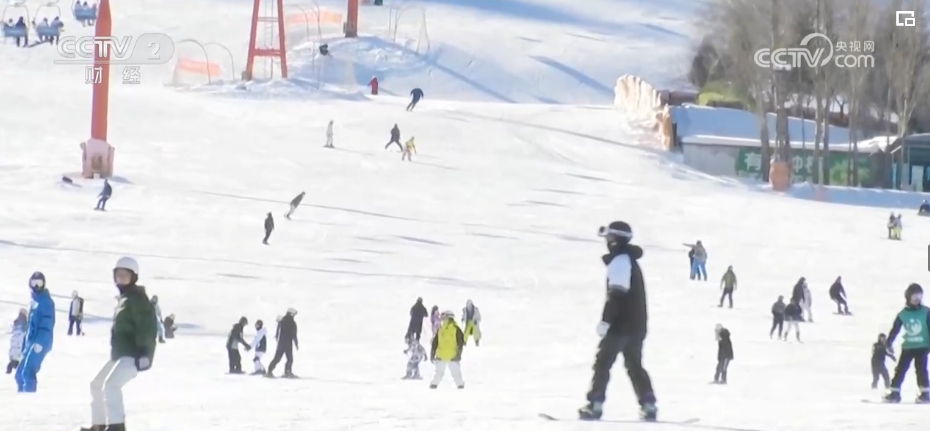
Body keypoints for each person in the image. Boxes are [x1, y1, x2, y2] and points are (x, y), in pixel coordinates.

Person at [579, 221, 657, 421]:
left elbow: (617, 294)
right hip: (637, 325)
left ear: (614, 239)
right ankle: (649, 404)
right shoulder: (629, 260)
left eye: (608, 238)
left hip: (620, 326)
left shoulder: (621, 261)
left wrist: (606, 321)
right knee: (634, 365)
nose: (606, 241)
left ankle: (594, 404)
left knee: (603, 363)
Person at [80, 257, 156, 431]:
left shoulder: (138, 299)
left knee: (111, 385)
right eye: (118, 275)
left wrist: (145, 353)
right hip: (120, 353)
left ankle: (116, 427)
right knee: (96, 384)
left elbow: (147, 328)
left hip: (134, 354)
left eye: (125, 276)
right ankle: (98, 425)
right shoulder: (125, 299)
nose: (121, 279)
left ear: (133, 277)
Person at [883, 283, 930, 403]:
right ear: (908, 297)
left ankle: (925, 394)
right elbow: (895, 329)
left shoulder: (926, 312)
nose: (917, 299)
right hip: (908, 347)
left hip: (923, 346)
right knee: (901, 369)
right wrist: (889, 343)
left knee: (921, 369)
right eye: (914, 296)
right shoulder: (903, 314)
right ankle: (895, 393)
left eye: (919, 296)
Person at [15, 272, 55, 393]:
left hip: (41, 343)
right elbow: (30, 327)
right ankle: (21, 397)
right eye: (34, 283)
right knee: (19, 374)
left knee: (28, 371)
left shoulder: (46, 302)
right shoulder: (34, 301)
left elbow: (47, 325)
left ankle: (29, 400)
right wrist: (24, 346)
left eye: (39, 283)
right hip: (31, 343)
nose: (37, 286)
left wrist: (40, 343)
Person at [429, 310, 465, 389]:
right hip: (448, 356)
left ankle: (460, 386)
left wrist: (458, 354)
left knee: (450, 373)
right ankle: (434, 385)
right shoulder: (441, 329)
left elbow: (460, 343)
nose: (442, 319)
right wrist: (432, 353)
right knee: (445, 372)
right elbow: (435, 342)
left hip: (449, 356)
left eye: (444, 317)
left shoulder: (454, 329)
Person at [266, 308, 298, 378]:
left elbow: (278, 331)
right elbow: (294, 334)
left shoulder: (282, 321)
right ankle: (287, 372)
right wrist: (296, 343)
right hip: (288, 343)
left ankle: (269, 371)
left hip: (281, 343)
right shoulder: (292, 323)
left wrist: (277, 339)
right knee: (290, 359)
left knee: (277, 358)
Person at [6, 309, 27, 374]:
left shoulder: (25, 326)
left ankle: (14, 365)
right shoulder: (16, 324)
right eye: (20, 315)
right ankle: (13, 365)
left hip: (19, 350)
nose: (20, 317)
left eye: (22, 315)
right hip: (16, 350)